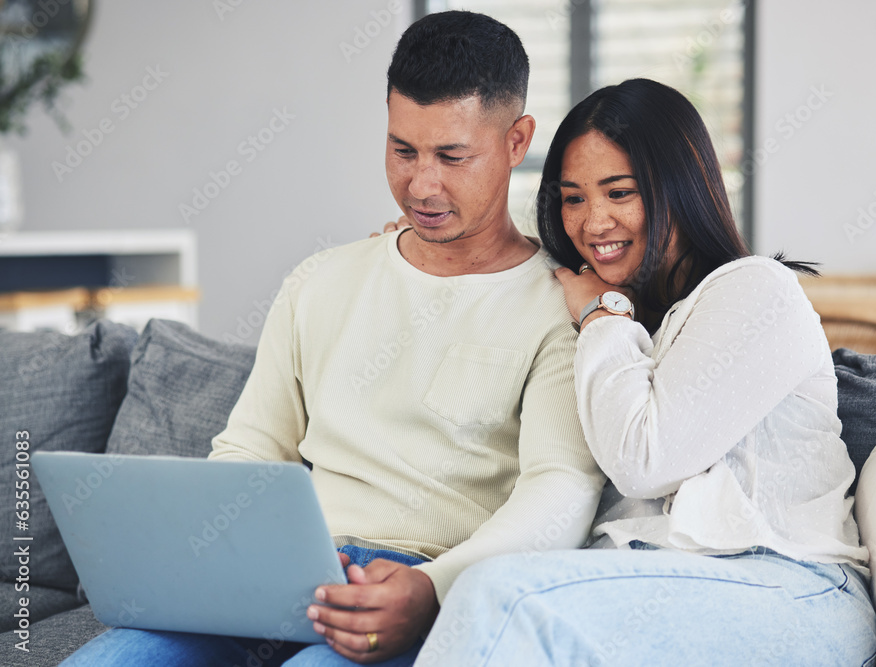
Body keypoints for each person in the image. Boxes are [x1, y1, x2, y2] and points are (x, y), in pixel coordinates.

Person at [63, 11, 604, 667]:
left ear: (517, 141)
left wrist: (433, 589)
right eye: (403, 150)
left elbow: (560, 491)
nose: (421, 185)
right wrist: (209, 563)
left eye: (452, 156)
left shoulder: (558, 304)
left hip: (422, 591)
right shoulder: (320, 281)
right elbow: (252, 445)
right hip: (278, 576)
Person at [413, 78, 876, 666]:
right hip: (648, 583)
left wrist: (601, 315)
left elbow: (644, 461)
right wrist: (432, 256)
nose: (593, 222)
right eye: (573, 198)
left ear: (682, 189)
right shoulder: (624, 323)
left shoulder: (756, 291)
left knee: (498, 593)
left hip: (787, 587)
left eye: (619, 192)